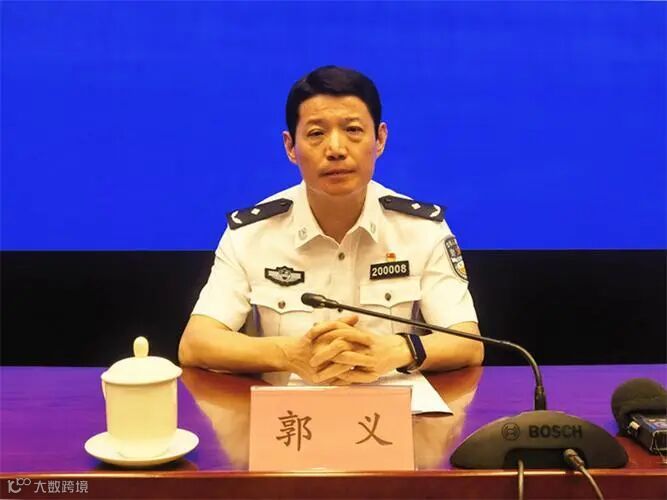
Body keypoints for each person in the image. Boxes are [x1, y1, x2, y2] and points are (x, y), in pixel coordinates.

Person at [178, 66, 483, 384]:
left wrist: (397, 350)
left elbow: (468, 343)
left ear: (380, 139)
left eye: (353, 130)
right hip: (286, 412)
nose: (336, 149)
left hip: (394, 409)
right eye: (316, 134)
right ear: (290, 147)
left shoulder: (422, 230)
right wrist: (289, 355)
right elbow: (196, 343)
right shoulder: (251, 235)